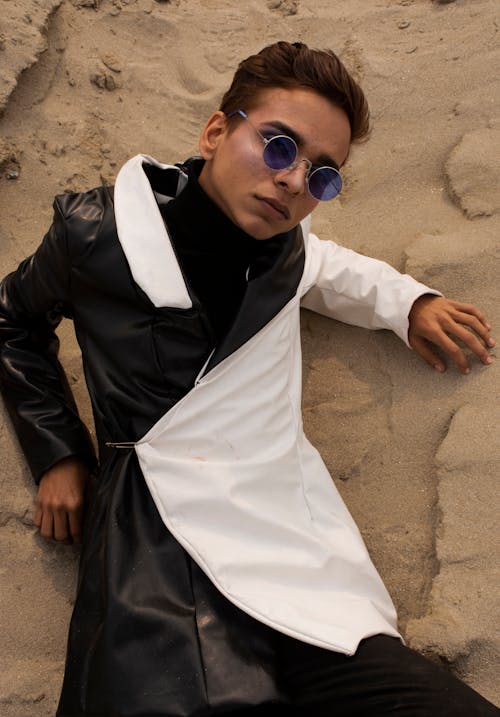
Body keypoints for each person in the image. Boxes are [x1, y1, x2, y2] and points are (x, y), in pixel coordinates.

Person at [0, 41, 497, 717]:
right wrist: (57, 452)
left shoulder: (285, 254)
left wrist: (410, 303)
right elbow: (11, 320)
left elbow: (334, 270)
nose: (295, 180)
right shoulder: (97, 234)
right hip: (157, 548)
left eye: (323, 174)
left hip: (287, 549)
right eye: (278, 145)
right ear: (215, 131)